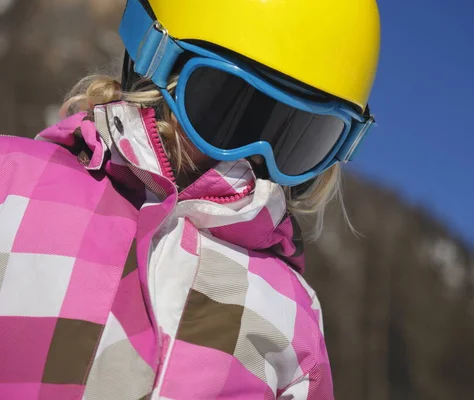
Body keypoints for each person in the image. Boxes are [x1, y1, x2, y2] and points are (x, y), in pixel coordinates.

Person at [0, 0, 380, 398]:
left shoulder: (293, 314)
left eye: (297, 142)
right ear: (154, 65)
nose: (245, 162)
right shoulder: (15, 181)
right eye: (226, 111)